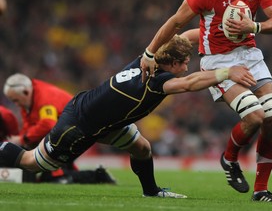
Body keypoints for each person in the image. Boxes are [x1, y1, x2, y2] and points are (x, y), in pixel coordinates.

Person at [0, 35, 255, 198]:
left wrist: (214, 34)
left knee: (141, 147)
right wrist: (227, 72)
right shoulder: (157, 81)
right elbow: (189, 84)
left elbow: (180, 38)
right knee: (31, 162)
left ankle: (151, 192)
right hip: (79, 124)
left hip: (105, 119)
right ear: (174, 63)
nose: (187, 66)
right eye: (185, 61)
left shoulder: (144, 61)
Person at [140, 0, 272, 202]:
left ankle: (261, 190)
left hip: (250, 55)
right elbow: (175, 22)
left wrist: (253, 27)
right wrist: (150, 52)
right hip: (218, 59)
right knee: (254, 117)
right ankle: (229, 158)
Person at [3, 73, 116, 184]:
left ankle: (98, 176)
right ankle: (96, 175)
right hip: (66, 132)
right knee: (57, 174)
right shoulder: (29, 100)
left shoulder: (44, 98)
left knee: (54, 177)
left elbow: (48, 124)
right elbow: (31, 125)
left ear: (26, 92)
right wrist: (25, 141)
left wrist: (23, 139)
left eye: (15, 100)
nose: (16, 104)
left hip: (75, 130)